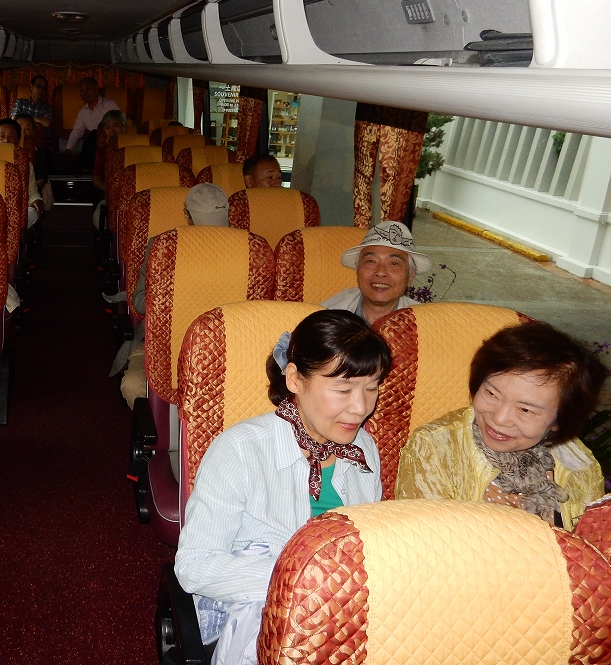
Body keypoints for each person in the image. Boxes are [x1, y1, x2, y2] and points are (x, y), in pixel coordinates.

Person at [176, 309, 389, 665]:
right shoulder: (240, 450)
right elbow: (195, 566)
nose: (361, 408)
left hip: (347, 612)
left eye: (372, 388)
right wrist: (308, 584)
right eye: (343, 389)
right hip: (260, 613)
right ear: (294, 379)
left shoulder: (363, 447)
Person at [396, 321, 605, 531]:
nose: (499, 419)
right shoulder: (435, 449)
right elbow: (427, 540)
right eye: (491, 394)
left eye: (525, 410)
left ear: (558, 422)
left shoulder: (580, 467)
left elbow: (591, 547)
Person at [118, 184, 230, 408]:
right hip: (163, 341)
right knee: (134, 386)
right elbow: (140, 301)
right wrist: (169, 297)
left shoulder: (248, 250)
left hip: (223, 345)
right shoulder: (163, 249)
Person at [321, 220, 431, 325]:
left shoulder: (424, 324)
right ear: (357, 270)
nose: (380, 272)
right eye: (371, 261)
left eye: (394, 263)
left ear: (410, 277)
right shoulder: (328, 314)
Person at [0, 119, 45, 228]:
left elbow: (32, 192)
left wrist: (36, 200)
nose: (6, 140)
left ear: (17, 140)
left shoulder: (24, 163)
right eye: (1, 136)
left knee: (31, 213)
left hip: (17, 208)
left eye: (11, 137)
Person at [65, 77, 120, 152]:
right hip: (94, 146)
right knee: (92, 136)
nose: (85, 93)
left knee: (94, 134)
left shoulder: (109, 105)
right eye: (82, 90)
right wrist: (68, 149)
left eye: (88, 89)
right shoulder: (83, 112)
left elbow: (119, 124)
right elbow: (76, 132)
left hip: (111, 142)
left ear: (96, 89)